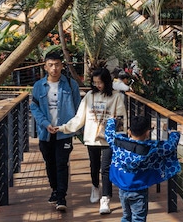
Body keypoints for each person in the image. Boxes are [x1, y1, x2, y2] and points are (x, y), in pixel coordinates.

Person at [58, 67, 128, 215]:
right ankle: (95, 186)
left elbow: (121, 118)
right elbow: (79, 117)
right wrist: (63, 128)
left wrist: (120, 137)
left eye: (100, 82)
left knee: (106, 168)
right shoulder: (90, 95)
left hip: (108, 138)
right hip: (91, 137)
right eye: (95, 82)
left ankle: (105, 197)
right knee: (94, 165)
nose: (97, 85)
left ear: (107, 82)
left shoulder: (116, 97)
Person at [32, 50, 82, 211]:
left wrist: (73, 127)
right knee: (50, 163)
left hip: (64, 132)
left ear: (62, 66)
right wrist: (46, 123)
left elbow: (78, 107)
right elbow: (35, 108)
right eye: (51, 65)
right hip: (45, 132)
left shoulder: (70, 84)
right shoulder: (38, 86)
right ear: (45, 67)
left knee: (61, 163)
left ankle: (61, 196)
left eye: (57, 65)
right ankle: (54, 189)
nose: (54, 68)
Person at [105, 115, 180, 222]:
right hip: (138, 189)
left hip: (122, 187)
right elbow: (170, 147)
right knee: (138, 218)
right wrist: (174, 134)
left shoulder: (118, 142)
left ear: (129, 131)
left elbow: (108, 134)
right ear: (147, 133)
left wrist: (112, 121)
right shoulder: (151, 149)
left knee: (126, 216)